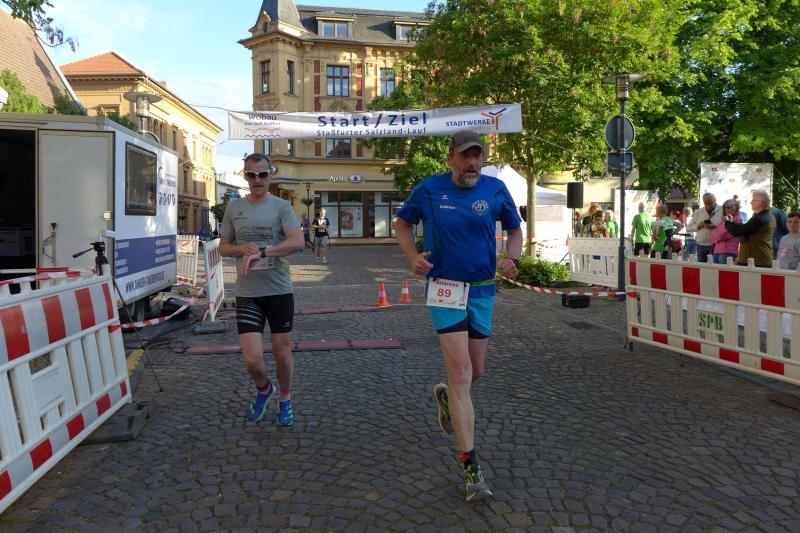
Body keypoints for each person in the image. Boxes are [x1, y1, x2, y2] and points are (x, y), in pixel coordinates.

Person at [394, 130, 522, 502]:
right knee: (462, 373)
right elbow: (403, 223)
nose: (472, 162)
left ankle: (448, 400)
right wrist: (412, 256)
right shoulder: (429, 189)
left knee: (476, 371)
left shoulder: (496, 189)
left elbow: (514, 229)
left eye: (477, 155)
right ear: (451, 157)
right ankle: (472, 469)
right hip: (445, 289)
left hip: (482, 289)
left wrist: (513, 257)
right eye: (465, 155)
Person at [219, 153, 304, 426]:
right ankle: (265, 389)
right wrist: (242, 249)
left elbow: (298, 242)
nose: (257, 180)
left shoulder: (282, 207)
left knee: (282, 355)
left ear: (270, 175)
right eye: (251, 175)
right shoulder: (234, 208)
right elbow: (223, 247)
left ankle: (286, 399)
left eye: (263, 174)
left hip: (279, 291)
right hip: (248, 294)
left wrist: (264, 251)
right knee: (252, 359)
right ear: (245, 176)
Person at [723, 190, 775, 268]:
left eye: (753, 200)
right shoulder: (766, 216)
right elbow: (746, 227)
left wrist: (727, 223)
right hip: (757, 259)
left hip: (756, 261)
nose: (751, 202)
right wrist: (733, 223)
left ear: (760, 202)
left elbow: (737, 232)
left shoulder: (759, 218)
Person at [685, 193, 722, 263]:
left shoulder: (722, 210)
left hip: (716, 245)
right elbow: (688, 228)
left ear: (715, 200)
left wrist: (715, 226)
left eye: (710, 203)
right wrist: (698, 226)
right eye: (705, 203)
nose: (708, 205)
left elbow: (726, 226)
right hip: (701, 245)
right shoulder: (699, 211)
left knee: (714, 266)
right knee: (701, 266)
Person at [710, 199, 742, 264]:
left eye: (729, 207)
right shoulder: (725, 219)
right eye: (725, 208)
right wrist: (716, 237)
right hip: (717, 250)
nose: (726, 210)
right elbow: (712, 236)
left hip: (728, 251)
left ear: (736, 208)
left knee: (723, 270)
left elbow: (723, 236)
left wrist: (725, 222)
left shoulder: (737, 219)